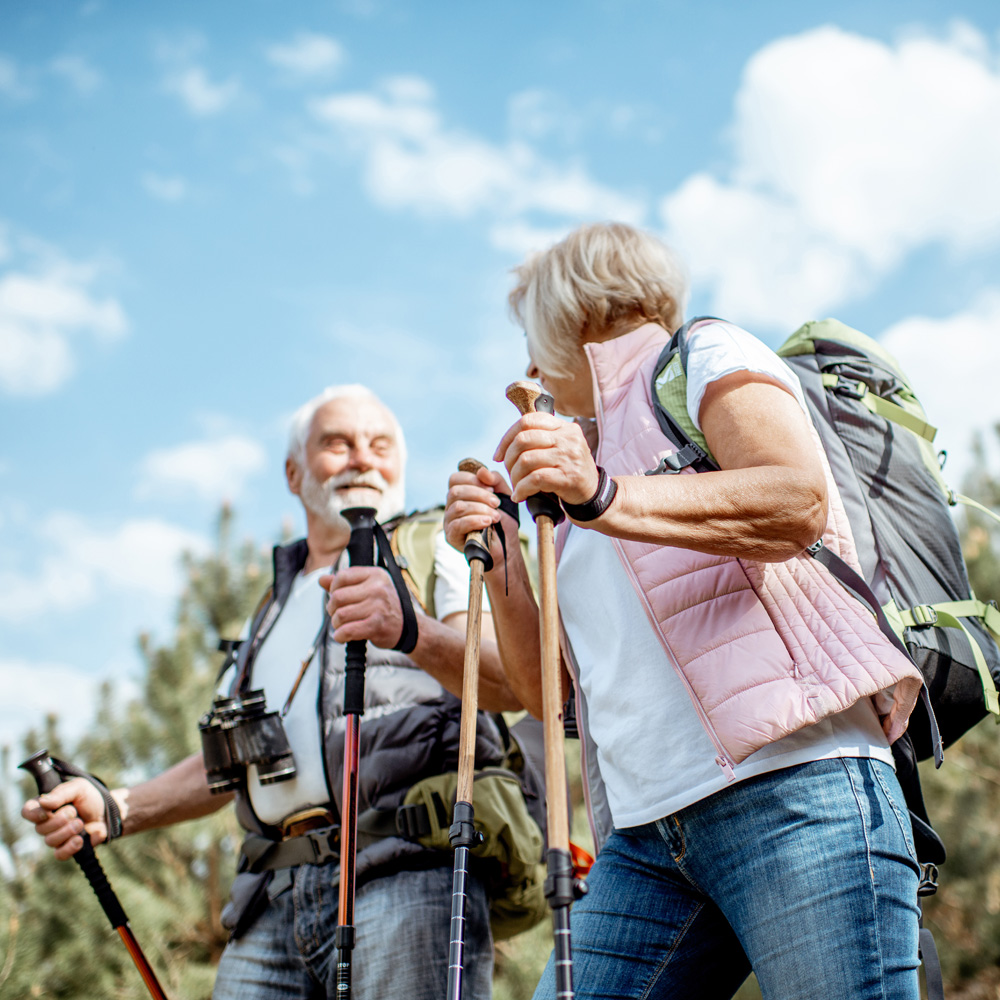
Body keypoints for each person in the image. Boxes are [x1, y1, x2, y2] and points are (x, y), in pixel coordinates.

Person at [443, 222, 926, 1000]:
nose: (526, 368)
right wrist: (501, 552)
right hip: (644, 838)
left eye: (531, 336)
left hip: (795, 787)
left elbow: (795, 499)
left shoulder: (704, 354)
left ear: (573, 312)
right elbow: (548, 697)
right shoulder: (577, 475)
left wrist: (604, 497)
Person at [22, 383, 523, 1000]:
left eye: (380, 444)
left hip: (405, 876)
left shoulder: (435, 551)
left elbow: (510, 682)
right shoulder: (269, 610)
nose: (362, 458)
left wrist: (411, 629)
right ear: (293, 472)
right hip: (270, 899)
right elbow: (234, 765)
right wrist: (118, 807)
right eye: (337, 443)